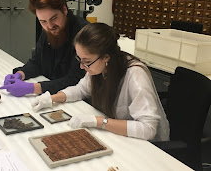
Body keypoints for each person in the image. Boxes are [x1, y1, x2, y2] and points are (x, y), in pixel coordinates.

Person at [31, 23, 170, 141]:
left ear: (106, 57)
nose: (81, 66)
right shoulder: (99, 67)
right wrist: (51, 99)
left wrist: (98, 121)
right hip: (118, 136)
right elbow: (80, 89)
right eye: (79, 59)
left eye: (86, 61)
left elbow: (148, 129)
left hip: (146, 145)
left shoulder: (135, 75)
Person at [0, 0, 89, 97]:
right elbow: (37, 62)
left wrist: (32, 88)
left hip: (74, 98)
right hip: (51, 92)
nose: (50, 26)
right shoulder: (49, 30)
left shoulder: (84, 33)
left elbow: (74, 80)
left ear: (65, 10)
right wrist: (20, 74)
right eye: (43, 21)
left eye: (54, 18)